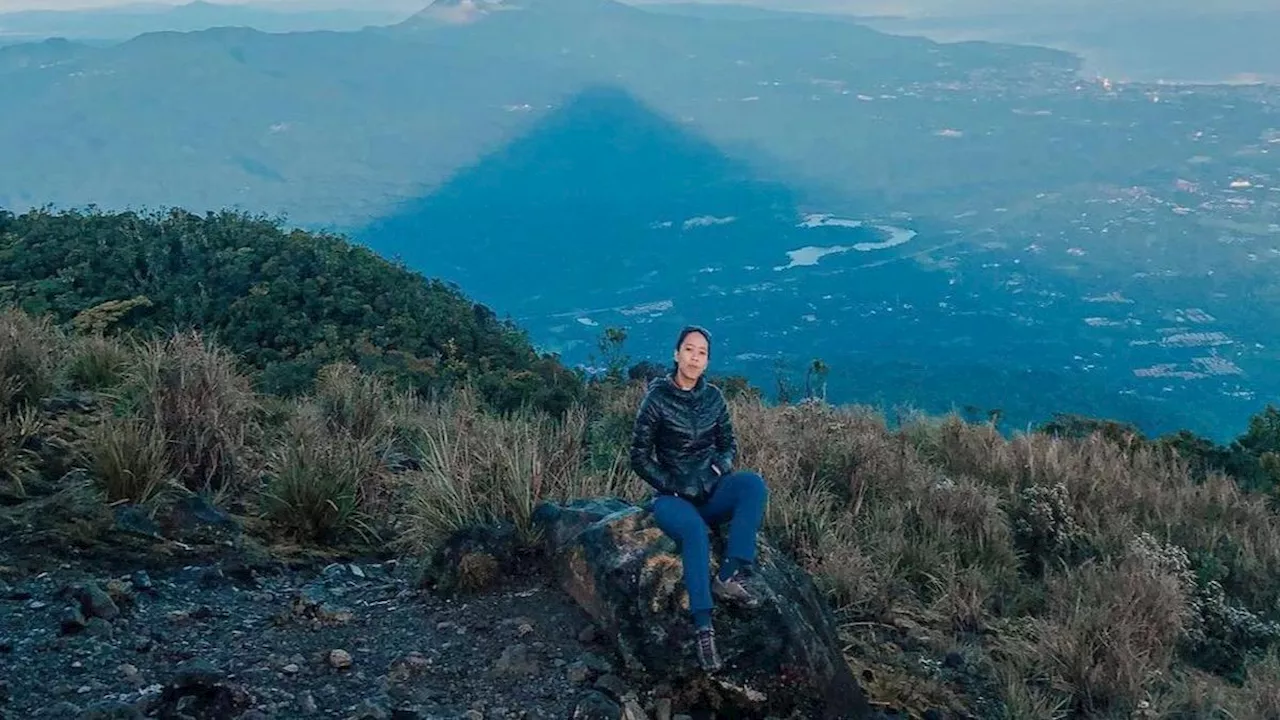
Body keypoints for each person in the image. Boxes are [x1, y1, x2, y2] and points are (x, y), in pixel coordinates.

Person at [628, 324, 770, 673]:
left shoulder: (714, 399)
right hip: (671, 497)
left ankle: (730, 575)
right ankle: (704, 627)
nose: (695, 357)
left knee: (752, 485)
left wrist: (716, 473)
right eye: (689, 350)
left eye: (702, 353)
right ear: (677, 355)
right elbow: (639, 457)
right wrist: (674, 485)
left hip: (709, 490)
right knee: (694, 531)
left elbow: (728, 445)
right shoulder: (656, 399)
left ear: (707, 362)